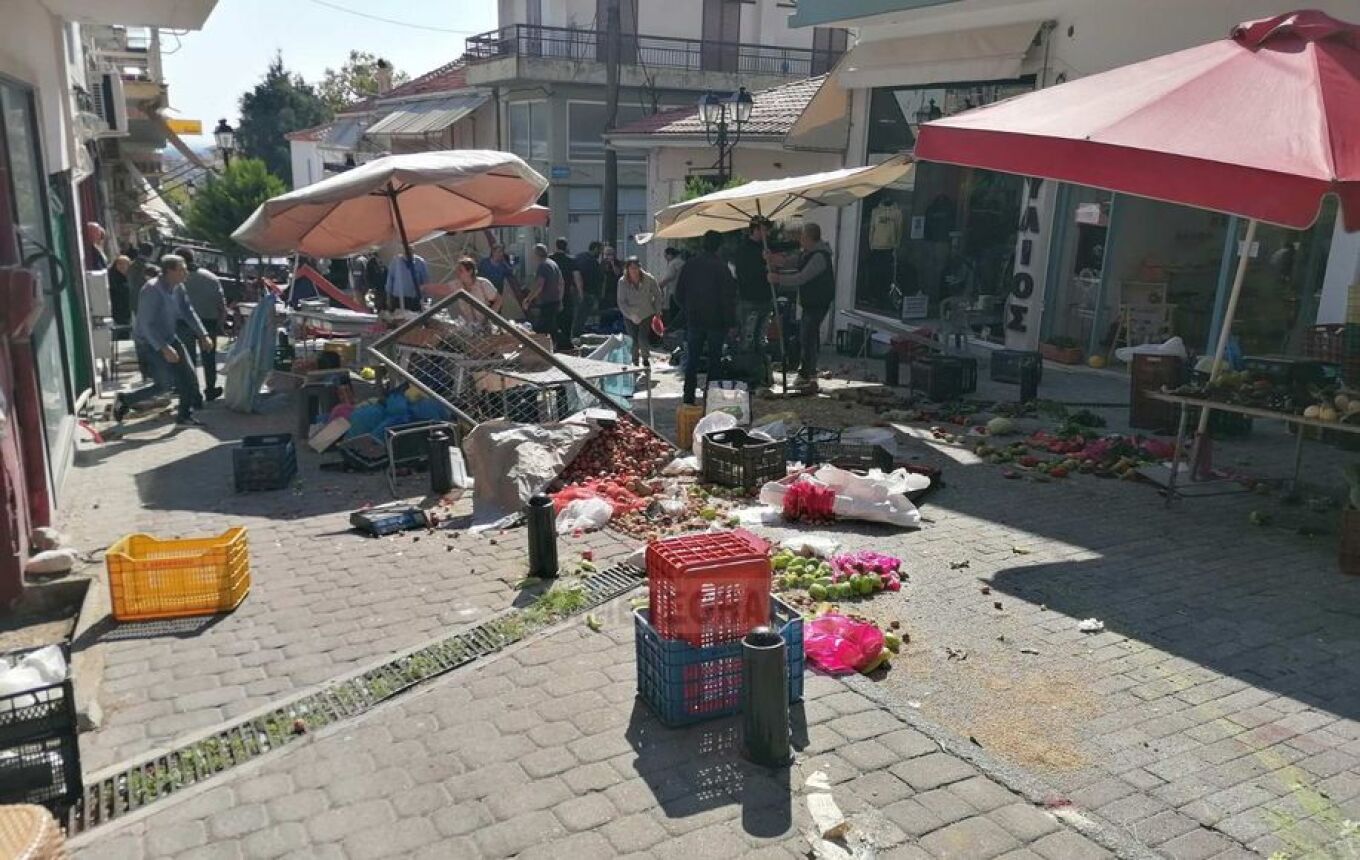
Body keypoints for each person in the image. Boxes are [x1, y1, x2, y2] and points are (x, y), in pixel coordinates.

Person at [115, 255, 211, 425]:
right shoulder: (152, 290)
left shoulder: (178, 287)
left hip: (169, 337)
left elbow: (188, 311)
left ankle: (184, 415)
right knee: (164, 384)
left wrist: (203, 334)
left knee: (188, 376)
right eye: (182, 269)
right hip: (149, 342)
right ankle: (125, 400)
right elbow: (146, 324)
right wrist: (164, 348)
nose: (186, 273)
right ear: (170, 271)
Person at [768, 222, 835, 392]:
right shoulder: (807, 253)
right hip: (810, 302)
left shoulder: (819, 256)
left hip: (818, 303)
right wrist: (776, 260)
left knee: (807, 338)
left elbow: (801, 278)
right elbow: (793, 261)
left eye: (803, 237)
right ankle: (806, 374)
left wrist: (778, 279)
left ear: (810, 238)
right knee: (807, 337)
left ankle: (808, 376)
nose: (800, 241)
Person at [675, 230, 737, 405]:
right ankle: (712, 397)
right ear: (719, 247)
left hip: (694, 319)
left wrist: (688, 309)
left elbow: (678, 294)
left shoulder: (690, 265)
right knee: (714, 361)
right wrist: (731, 323)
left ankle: (688, 396)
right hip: (717, 321)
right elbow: (728, 298)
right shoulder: (722, 268)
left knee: (692, 360)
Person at [175, 247, 227, 401]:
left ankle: (191, 391)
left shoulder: (175, 280)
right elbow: (221, 305)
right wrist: (220, 324)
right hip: (208, 322)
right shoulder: (210, 277)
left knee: (187, 359)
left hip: (183, 323)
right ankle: (210, 389)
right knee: (209, 359)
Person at [733, 217, 773, 353]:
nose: (767, 234)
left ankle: (759, 366)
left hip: (765, 297)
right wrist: (761, 261)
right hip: (749, 298)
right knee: (748, 337)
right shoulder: (744, 249)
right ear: (755, 230)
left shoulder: (766, 247)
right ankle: (746, 365)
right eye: (765, 230)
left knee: (761, 338)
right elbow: (744, 273)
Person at [616, 256, 663, 367]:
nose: (634, 271)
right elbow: (621, 302)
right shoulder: (622, 282)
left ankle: (646, 359)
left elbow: (658, 294)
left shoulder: (648, 278)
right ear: (627, 269)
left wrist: (658, 311)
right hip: (630, 314)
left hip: (646, 312)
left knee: (642, 338)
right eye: (631, 268)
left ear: (640, 268)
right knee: (633, 339)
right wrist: (630, 315)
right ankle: (635, 360)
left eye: (636, 268)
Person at [427, 257, 500, 321]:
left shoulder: (483, 284)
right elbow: (442, 289)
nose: (457, 273)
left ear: (470, 271)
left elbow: (498, 300)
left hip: (484, 326)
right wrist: (423, 287)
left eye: (461, 270)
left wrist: (489, 317)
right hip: (469, 326)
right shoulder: (457, 284)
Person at [525, 243, 565, 346]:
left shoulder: (543, 266)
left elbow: (539, 285)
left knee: (542, 328)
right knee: (551, 326)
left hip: (547, 302)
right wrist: (560, 300)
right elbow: (561, 283)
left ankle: (551, 347)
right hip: (555, 300)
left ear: (536, 254)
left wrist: (528, 299)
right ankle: (558, 345)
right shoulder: (553, 264)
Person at [549, 238, 580, 347]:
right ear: (566, 247)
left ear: (556, 246)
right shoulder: (571, 260)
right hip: (567, 294)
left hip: (551, 295)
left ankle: (554, 343)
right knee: (567, 320)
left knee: (553, 320)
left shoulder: (550, 259)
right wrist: (580, 293)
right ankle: (566, 343)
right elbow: (577, 277)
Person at [572, 241, 604, 338]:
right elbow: (598, 279)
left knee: (577, 315)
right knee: (581, 317)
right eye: (600, 250)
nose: (600, 253)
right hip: (587, 293)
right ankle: (576, 335)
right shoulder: (593, 262)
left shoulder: (578, 257)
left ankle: (574, 334)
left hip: (576, 291)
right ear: (595, 249)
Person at [108, 255, 133, 326]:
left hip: (126, 312)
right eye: (119, 263)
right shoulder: (113, 277)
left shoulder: (129, 277)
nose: (122, 266)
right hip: (117, 313)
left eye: (125, 264)